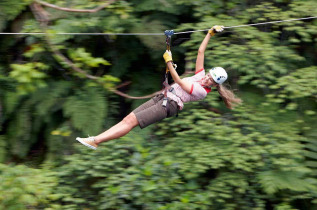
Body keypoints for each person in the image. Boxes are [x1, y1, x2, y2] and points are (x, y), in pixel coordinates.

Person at [76, 25, 242, 150]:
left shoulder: (201, 92)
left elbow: (179, 81)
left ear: (214, 85)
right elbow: (200, 52)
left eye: (211, 80)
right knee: (128, 118)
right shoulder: (200, 76)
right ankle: (95, 139)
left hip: (169, 105)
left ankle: (96, 142)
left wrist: (169, 62)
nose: (207, 79)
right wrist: (209, 34)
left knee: (132, 122)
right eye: (208, 75)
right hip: (162, 97)